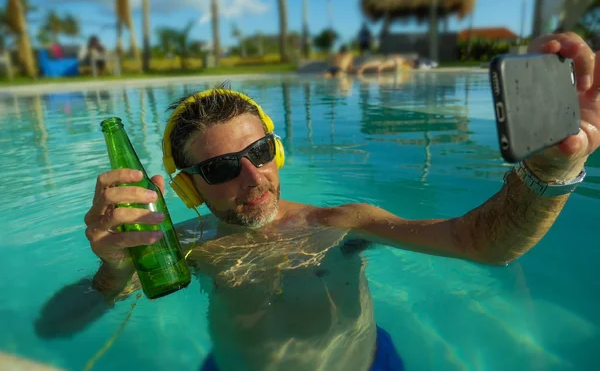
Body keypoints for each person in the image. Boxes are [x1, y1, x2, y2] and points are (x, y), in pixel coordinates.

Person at [37, 32, 599, 371]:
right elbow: (57, 328)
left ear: (276, 149)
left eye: (258, 150)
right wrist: (110, 271)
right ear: (188, 188)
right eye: (220, 168)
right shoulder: (183, 246)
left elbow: (482, 243)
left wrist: (554, 165)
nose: (252, 176)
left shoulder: (341, 224)